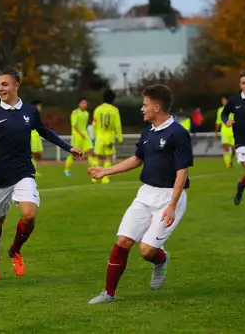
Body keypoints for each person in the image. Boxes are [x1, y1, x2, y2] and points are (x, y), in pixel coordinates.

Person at [0, 66, 84, 281]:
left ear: (16, 85)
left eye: (4, 84)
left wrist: (68, 147)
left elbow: (45, 132)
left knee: (29, 215)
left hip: (24, 171)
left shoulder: (30, 111)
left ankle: (15, 250)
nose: (0, 88)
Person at [87, 84, 193, 304]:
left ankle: (161, 261)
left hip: (169, 197)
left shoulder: (179, 134)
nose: (142, 109)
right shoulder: (148, 132)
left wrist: (172, 205)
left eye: (145, 105)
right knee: (123, 241)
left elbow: (182, 172)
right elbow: (137, 159)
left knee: (146, 251)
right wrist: (106, 170)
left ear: (157, 106)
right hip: (146, 194)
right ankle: (109, 294)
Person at [221, 70, 245, 225]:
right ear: (240, 85)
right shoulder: (234, 100)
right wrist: (226, 121)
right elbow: (224, 113)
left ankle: (241, 185)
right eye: (244, 83)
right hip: (242, 143)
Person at [91, 90, 123, 184]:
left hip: (100, 136)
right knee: (108, 158)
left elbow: (94, 124)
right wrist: (120, 137)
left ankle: (94, 177)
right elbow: (117, 125)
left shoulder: (98, 109)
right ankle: (105, 178)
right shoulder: (114, 110)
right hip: (110, 137)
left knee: (97, 157)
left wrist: (95, 135)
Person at [64, 97, 96, 176]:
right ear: (79, 104)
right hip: (77, 136)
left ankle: (94, 169)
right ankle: (67, 170)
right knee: (73, 154)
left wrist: (86, 134)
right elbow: (74, 125)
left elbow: (84, 126)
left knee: (90, 151)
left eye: (85, 103)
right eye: (83, 103)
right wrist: (80, 133)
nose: (85, 105)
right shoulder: (75, 112)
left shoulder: (86, 113)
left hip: (85, 136)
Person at [215, 94, 235, 168]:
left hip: (233, 131)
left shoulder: (233, 109)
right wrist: (216, 132)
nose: (223, 101)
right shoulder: (220, 110)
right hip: (224, 131)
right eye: (222, 100)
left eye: (224, 100)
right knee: (225, 147)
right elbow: (218, 122)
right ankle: (228, 164)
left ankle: (230, 159)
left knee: (234, 149)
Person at [30, 100, 44, 177]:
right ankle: (33, 171)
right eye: (38, 106)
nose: (40, 108)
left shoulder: (37, 115)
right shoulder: (31, 114)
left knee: (39, 155)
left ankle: (32, 170)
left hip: (37, 136)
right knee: (34, 154)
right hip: (33, 136)